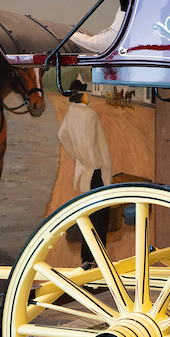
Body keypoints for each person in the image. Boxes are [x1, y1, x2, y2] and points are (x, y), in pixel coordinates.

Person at [56, 79, 112, 268]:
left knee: (89, 214)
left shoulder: (71, 113)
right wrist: (93, 162)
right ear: (81, 95)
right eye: (87, 93)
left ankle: (86, 258)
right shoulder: (90, 115)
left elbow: (62, 135)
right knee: (101, 216)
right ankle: (98, 258)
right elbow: (92, 144)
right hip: (96, 171)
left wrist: (76, 155)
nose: (89, 95)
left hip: (83, 171)